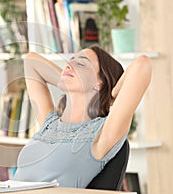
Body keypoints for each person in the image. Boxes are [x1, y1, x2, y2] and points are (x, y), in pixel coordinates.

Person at [13, 45, 152, 188]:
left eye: (81, 64)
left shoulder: (101, 134)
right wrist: (67, 80)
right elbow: (30, 60)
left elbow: (142, 65)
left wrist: (113, 92)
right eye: (70, 60)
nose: (69, 64)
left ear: (100, 83)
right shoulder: (49, 123)